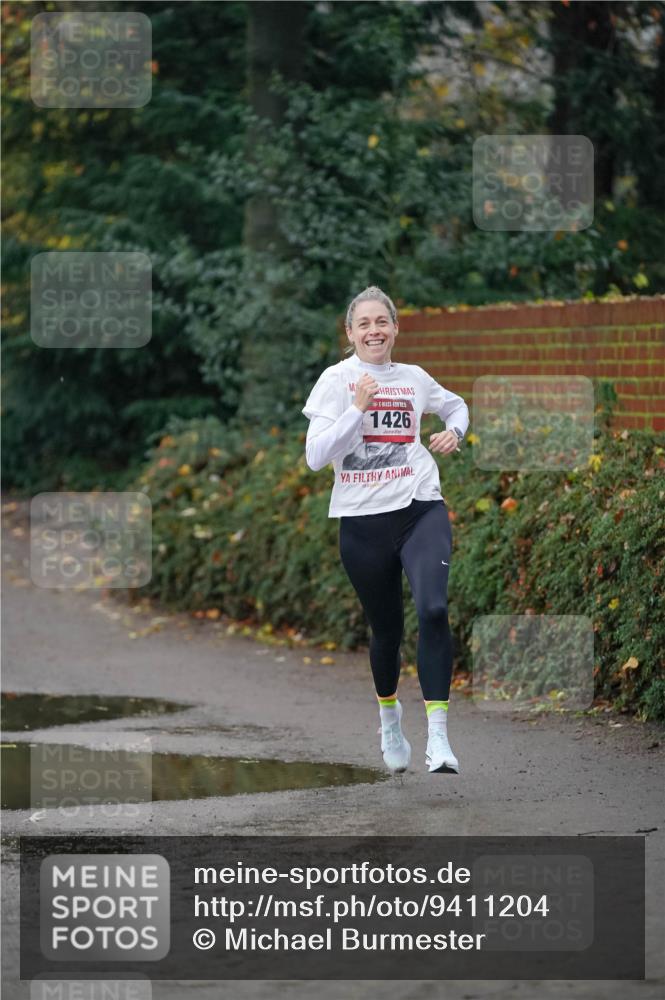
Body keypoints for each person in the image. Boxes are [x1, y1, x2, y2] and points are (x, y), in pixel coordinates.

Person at [301, 285, 469, 776]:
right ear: (350, 333)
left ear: (395, 328)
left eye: (382, 322)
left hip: (420, 507)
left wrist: (454, 432)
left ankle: (439, 737)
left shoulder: (414, 378)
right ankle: (390, 719)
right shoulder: (336, 380)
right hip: (362, 522)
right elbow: (315, 458)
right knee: (387, 633)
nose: (374, 331)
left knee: (433, 609)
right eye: (364, 324)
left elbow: (456, 406)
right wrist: (356, 408)